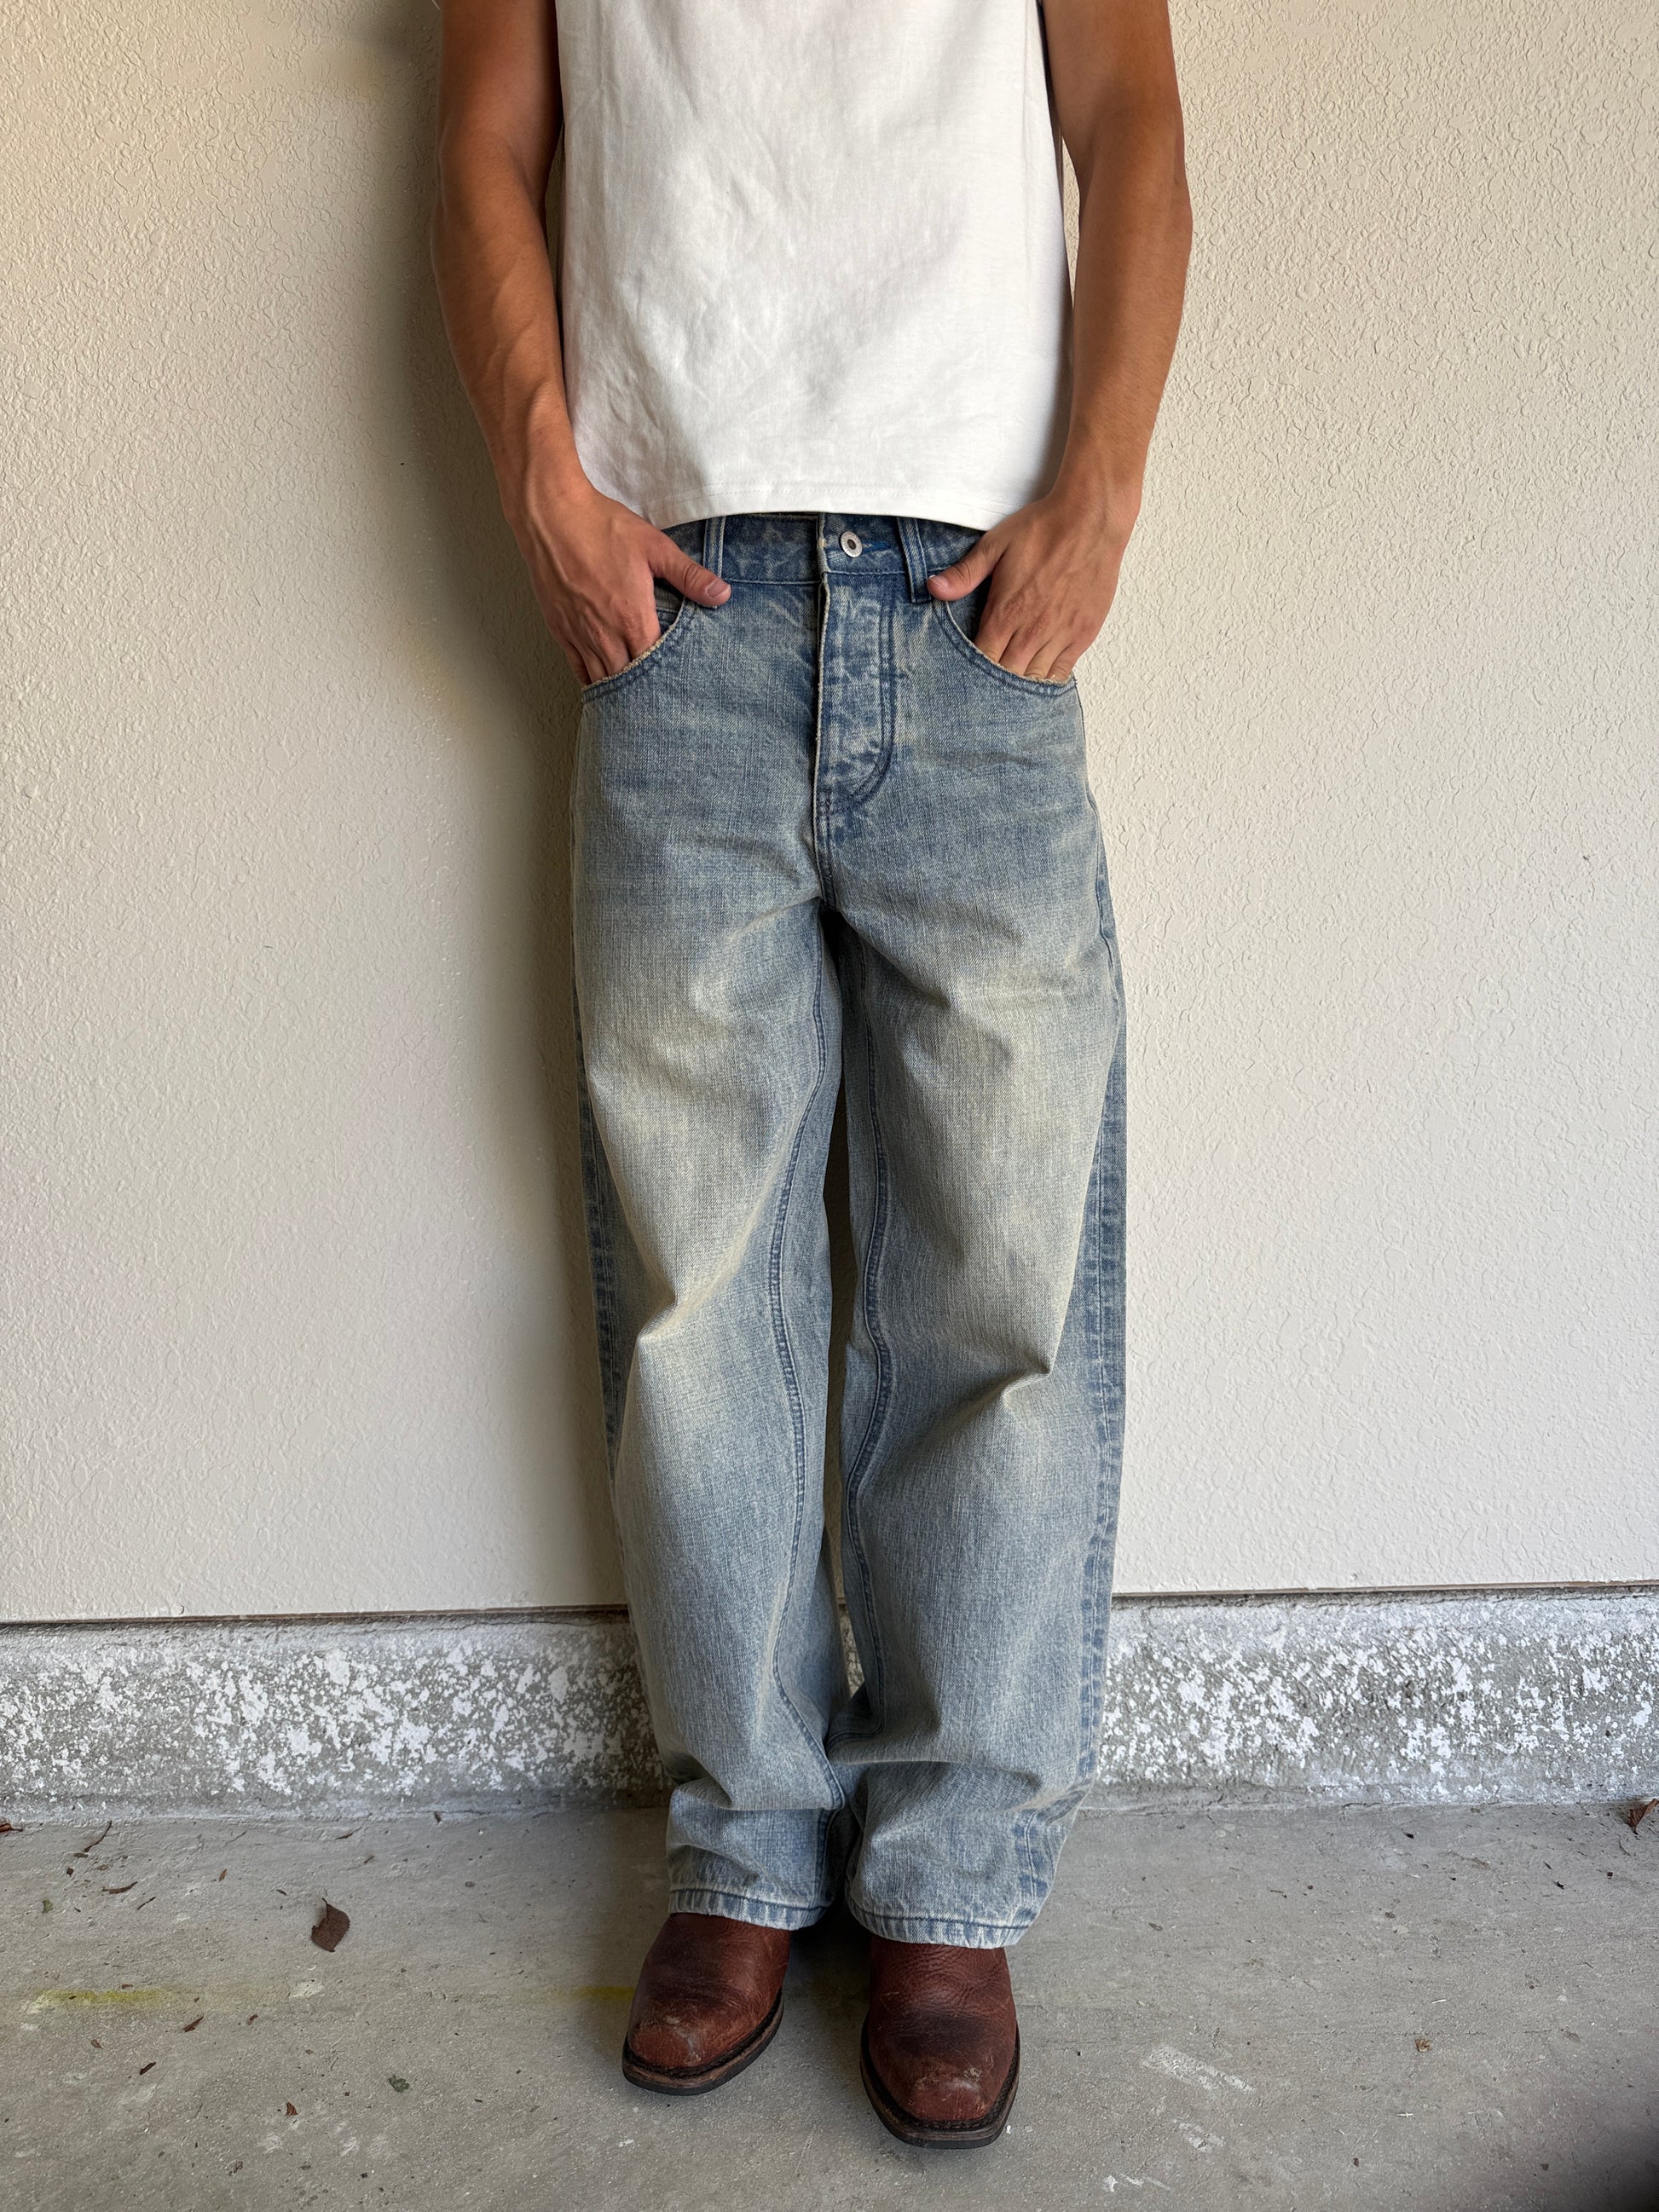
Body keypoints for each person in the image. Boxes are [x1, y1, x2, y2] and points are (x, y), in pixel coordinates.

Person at [431, 0, 1190, 2148]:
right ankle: (746, 1841)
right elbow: (484, 132)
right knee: (700, 1288)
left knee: (1000, 1280)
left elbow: (1129, 115)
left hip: (973, 593)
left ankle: (950, 1871)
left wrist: (1103, 491)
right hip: (674, 598)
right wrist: (542, 479)